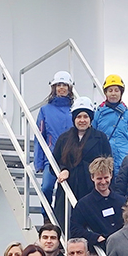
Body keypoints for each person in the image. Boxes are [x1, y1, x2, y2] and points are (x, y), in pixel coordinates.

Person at [52, 96, 113, 229]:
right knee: (65, 221)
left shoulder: (100, 137)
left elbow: (108, 163)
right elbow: (54, 163)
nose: (82, 120)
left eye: (86, 116)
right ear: (74, 118)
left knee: (90, 221)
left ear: (91, 119)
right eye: (79, 116)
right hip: (69, 186)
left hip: (91, 187)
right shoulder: (64, 139)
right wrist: (64, 169)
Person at [35, 71, 75, 210]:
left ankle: (63, 222)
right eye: (59, 85)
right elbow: (39, 136)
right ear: (54, 87)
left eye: (64, 85)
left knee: (67, 193)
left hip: (71, 158)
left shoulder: (75, 110)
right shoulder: (45, 110)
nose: (62, 88)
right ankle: (46, 216)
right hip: (51, 157)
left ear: (70, 88)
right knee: (46, 187)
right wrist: (38, 162)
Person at [71, 156, 126, 253]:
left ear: (111, 175)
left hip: (123, 249)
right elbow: (75, 229)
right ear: (92, 177)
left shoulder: (122, 201)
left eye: (106, 177)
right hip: (98, 252)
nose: (103, 182)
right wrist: (95, 237)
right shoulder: (84, 204)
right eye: (99, 178)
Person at [93, 74, 128, 176]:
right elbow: (93, 135)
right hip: (104, 158)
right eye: (110, 90)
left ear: (121, 93)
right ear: (106, 93)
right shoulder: (98, 113)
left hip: (124, 158)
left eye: (116, 90)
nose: (113, 93)